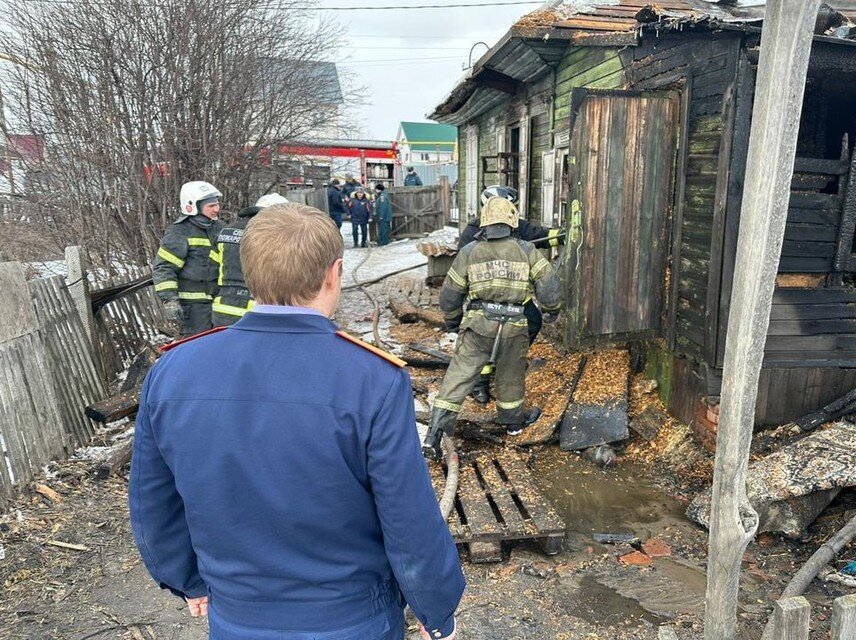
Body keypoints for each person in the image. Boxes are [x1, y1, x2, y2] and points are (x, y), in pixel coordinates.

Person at [130, 203, 465, 640]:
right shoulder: (372, 377)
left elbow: (151, 500)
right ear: (334, 273)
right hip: (351, 619)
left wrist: (184, 577)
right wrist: (435, 605)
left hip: (238, 616)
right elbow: (407, 514)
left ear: (247, 273)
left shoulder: (174, 370)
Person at [422, 196, 562, 460]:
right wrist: (552, 310)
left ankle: (434, 434)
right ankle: (513, 424)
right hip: (514, 326)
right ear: (511, 220)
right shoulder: (527, 250)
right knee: (510, 374)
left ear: (484, 222)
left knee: (458, 376)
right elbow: (550, 287)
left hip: (478, 325)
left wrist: (452, 322)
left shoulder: (469, 252)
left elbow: (450, 295)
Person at [458, 186, 566, 404]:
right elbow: (460, 268)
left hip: (515, 297)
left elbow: (541, 236)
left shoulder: (516, 226)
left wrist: (564, 234)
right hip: (483, 299)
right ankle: (481, 383)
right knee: (484, 336)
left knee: (533, 322)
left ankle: (504, 363)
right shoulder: (472, 232)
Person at [153, 181, 225, 337]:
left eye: (217, 204)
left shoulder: (220, 228)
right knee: (196, 348)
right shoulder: (179, 232)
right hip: (193, 308)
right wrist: (170, 300)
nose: (216, 209)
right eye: (211, 206)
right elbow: (164, 268)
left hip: (219, 303)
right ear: (192, 206)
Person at [211, 193, 288, 327]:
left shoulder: (226, 231)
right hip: (258, 310)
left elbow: (211, 269)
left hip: (223, 308)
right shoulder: (273, 233)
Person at [374, 182, 393, 246]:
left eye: (376, 189)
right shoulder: (383, 195)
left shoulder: (382, 197)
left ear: (379, 189)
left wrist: (381, 216)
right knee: (385, 229)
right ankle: (385, 241)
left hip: (384, 217)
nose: (376, 191)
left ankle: (383, 242)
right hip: (386, 217)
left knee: (383, 230)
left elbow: (383, 207)